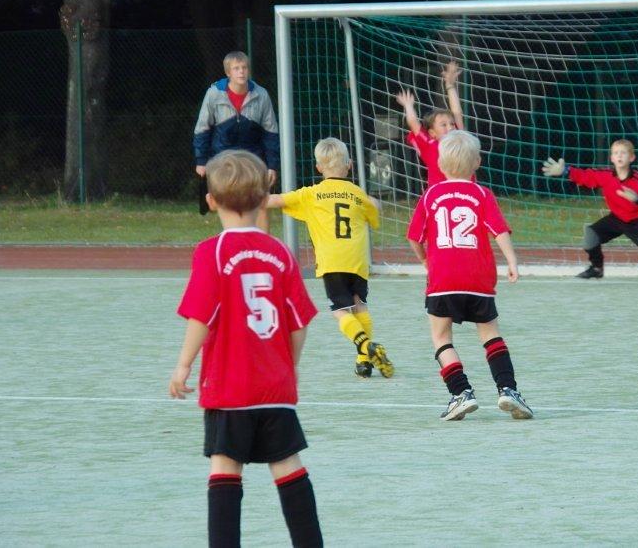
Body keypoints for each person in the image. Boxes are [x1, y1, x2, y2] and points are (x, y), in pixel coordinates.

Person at [169, 150, 323, 547]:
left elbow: (201, 316)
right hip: (275, 389)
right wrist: (289, 366)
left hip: (229, 388)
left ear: (211, 201)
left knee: (225, 469)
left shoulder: (212, 252)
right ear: (265, 198)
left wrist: (183, 365)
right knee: (288, 467)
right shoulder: (281, 253)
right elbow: (299, 322)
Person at [406, 130, 533, 421]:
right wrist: (512, 261)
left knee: (441, 336)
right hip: (478, 280)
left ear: (440, 163)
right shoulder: (482, 194)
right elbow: (499, 230)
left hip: (442, 282)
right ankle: (508, 390)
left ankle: (461, 393)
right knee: (490, 334)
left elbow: (414, 237)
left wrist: (425, 259)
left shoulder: (430, 195)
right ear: (476, 162)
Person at [266, 137, 394, 378]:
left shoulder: (312, 194)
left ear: (318, 168)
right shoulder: (358, 194)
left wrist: (242, 197)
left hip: (332, 262)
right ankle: (363, 361)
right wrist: (376, 204)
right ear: (349, 165)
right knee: (359, 304)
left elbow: (277, 200)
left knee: (340, 311)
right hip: (357, 261)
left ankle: (366, 346)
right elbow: (373, 214)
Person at [541, 139, 638, 284]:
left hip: (637, 221)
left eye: (623, 153)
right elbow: (586, 176)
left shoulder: (637, 179)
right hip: (616, 218)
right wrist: (565, 171)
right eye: (616, 153)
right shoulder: (606, 175)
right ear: (611, 158)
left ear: (632, 158)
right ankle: (597, 268)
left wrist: (636, 198)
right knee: (591, 235)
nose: (619, 156)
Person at [194, 51, 280, 232]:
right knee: (227, 202)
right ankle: (232, 240)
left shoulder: (261, 95)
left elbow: (271, 132)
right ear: (228, 73)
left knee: (260, 201)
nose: (241, 72)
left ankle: (262, 242)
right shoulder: (214, 94)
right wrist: (201, 161)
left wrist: (272, 165)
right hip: (223, 158)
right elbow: (202, 128)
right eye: (236, 68)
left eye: (244, 68)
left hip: (253, 158)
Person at [395, 61, 466, 187]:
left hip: (465, 191)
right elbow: (413, 123)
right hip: (440, 193)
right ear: (432, 133)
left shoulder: (459, 139)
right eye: (443, 125)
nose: (450, 127)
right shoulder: (429, 145)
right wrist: (408, 106)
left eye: (451, 124)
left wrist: (450, 85)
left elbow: (457, 112)